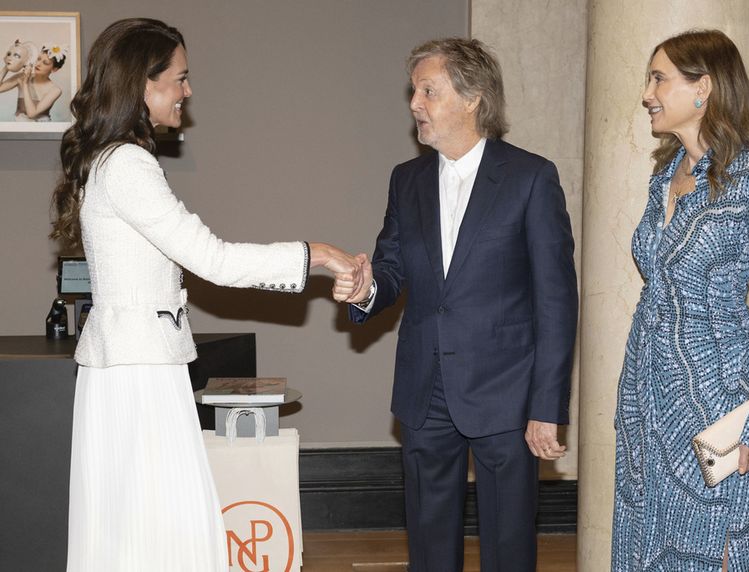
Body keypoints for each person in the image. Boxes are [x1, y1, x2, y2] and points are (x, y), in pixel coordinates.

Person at [50, 18, 364, 571]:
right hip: (140, 373)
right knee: (160, 533)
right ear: (143, 86)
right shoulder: (127, 164)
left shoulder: (110, 161)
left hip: (131, 366)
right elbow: (212, 259)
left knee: (133, 532)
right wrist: (316, 254)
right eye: (180, 77)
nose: (188, 91)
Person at [348, 38, 578, 572]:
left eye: (428, 90)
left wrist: (546, 407)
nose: (414, 103)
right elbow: (391, 271)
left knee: (508, 546)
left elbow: (556, 301)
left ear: (472, 98)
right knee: (428, 544)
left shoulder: (530, 178)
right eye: (414, 90)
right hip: (424, 388)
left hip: (506, 394)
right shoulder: (405, 181)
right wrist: (364, 290)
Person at [611, 29, 749, 571]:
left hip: (713, 404)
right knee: (643, 544)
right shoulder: (664, 176)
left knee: (710, 550)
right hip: (645, 396)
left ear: (704, 88)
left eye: (659, 78)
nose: (647, 93)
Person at [0, 44, 64, 121]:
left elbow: (31, 114)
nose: (38, 64)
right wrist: (7, 66)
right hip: (19, 128)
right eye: (38, 59)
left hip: (41, 130)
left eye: (45, 63)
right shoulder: (22, 76)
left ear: (54, 69)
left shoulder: (55, 90)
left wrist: (25, 83)